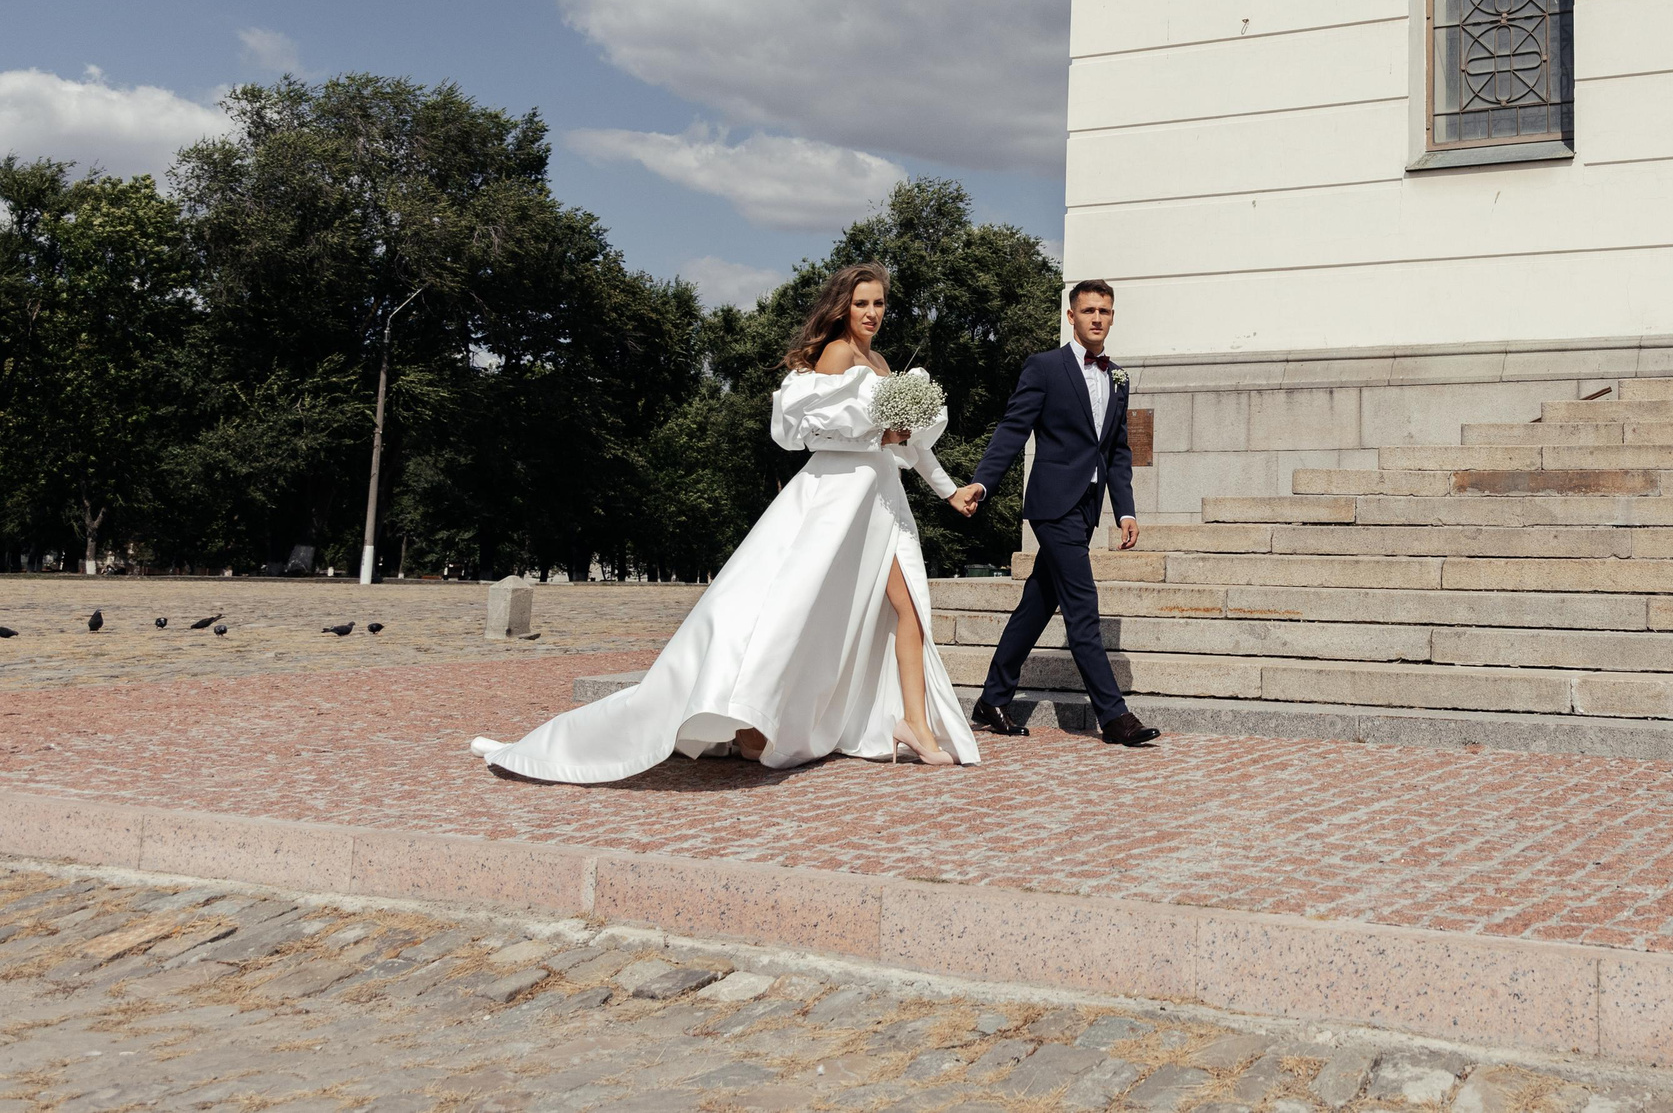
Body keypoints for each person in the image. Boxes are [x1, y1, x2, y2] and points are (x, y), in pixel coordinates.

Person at [468, 265, 981, 780]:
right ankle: (751, 721)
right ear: (842, 308)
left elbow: (911, 446)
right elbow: (812, 429)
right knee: (793, 610)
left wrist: (949, 490)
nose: (872, 314)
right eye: (862, 304)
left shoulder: (883, 362)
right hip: (840, 497)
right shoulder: (837, 354)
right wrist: (879, 434)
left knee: (909, 605)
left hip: (881, 497)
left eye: (880, 304)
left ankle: (914, 722)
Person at [950, 279, 1159, 748]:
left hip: (1086, 508)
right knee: (1082, 607)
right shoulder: (1044, 367)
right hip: (1052, 505)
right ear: (1071, 316)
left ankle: (992, 698)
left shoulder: (1118, 376)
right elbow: (1012, 429)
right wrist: (982, 483)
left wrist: (1124, 511)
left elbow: (1118, 452)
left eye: (1104, 311)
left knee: (1039, 602)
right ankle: (1114, 716)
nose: (1097, 319)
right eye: (1088, 311)